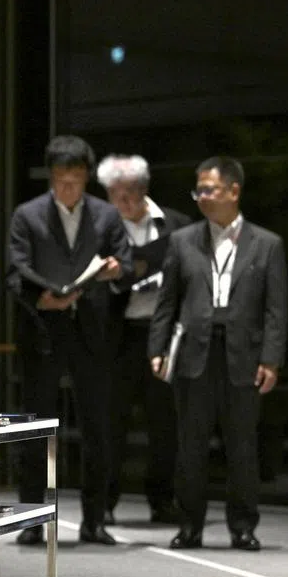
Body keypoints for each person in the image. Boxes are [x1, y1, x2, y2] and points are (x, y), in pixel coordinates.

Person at [149, 156, 288, 551]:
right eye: (198, 190)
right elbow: (166, 302)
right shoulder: (182, 241)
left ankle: (243, 527)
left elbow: (276, 310)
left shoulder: (267, 245)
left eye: (209, 189)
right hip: (195, 353)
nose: (201, 197)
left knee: (242, 448)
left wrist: (271, 359)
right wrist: (157, 348)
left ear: (233, 191)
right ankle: (189, 525)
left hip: (244, 355)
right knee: (189, 447)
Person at [6, 135, 130, 546]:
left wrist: (114, 271)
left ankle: (96, 518)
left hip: (92, 332)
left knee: (98, 426)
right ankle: (30, 519)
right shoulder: (28, 215)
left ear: (87, 177)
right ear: (51, 176)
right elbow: (15, 269)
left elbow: (124, 263)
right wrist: (40, 297)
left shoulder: (107, 216)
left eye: (76, 179)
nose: (68, 188)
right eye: (61, 179)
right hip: (44, 330)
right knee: (35, 426)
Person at [96, 154, 191, 525]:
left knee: (166, 422)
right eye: (116, 194)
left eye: (131, 192)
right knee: (111, 422)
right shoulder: (100, 229)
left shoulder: (176, 225)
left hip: (163, 333)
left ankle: (162, 498)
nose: (124, 201)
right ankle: (105, 500)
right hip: (118, 335)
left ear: (144, 188)